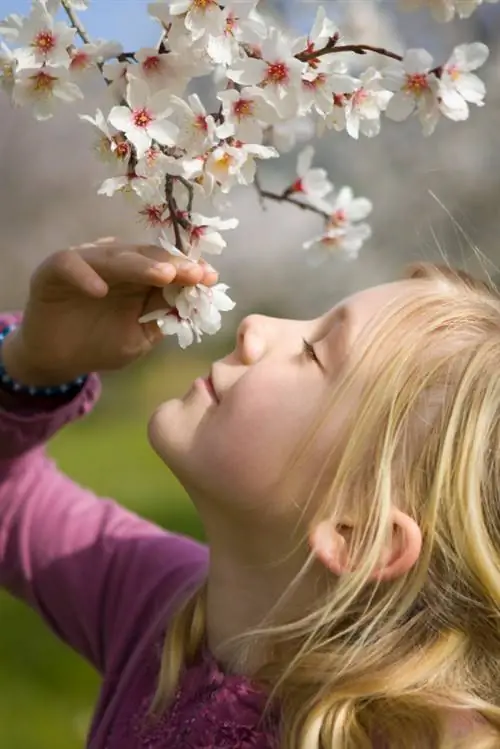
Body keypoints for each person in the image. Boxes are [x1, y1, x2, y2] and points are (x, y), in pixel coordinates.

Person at [1, 239, 500, 749]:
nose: (254, 324)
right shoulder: (154, 605)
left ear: (361, 532)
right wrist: (34, 365)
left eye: (313, 352)